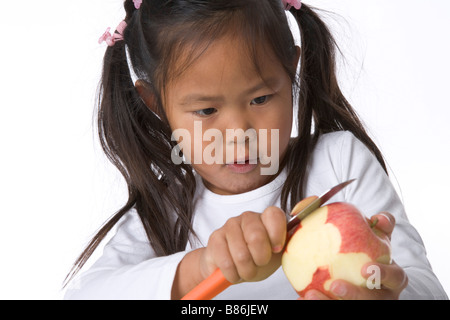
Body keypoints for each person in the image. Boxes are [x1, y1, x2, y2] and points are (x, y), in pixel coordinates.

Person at [64, 0, 448, 300]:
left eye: (261, 98)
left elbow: (425, 288)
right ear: (156, 104)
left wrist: (385, 290)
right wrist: (204, 265)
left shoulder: (338, 162)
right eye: (206, 110)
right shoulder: (163, 212)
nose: (239, 133)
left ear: (291, 71)